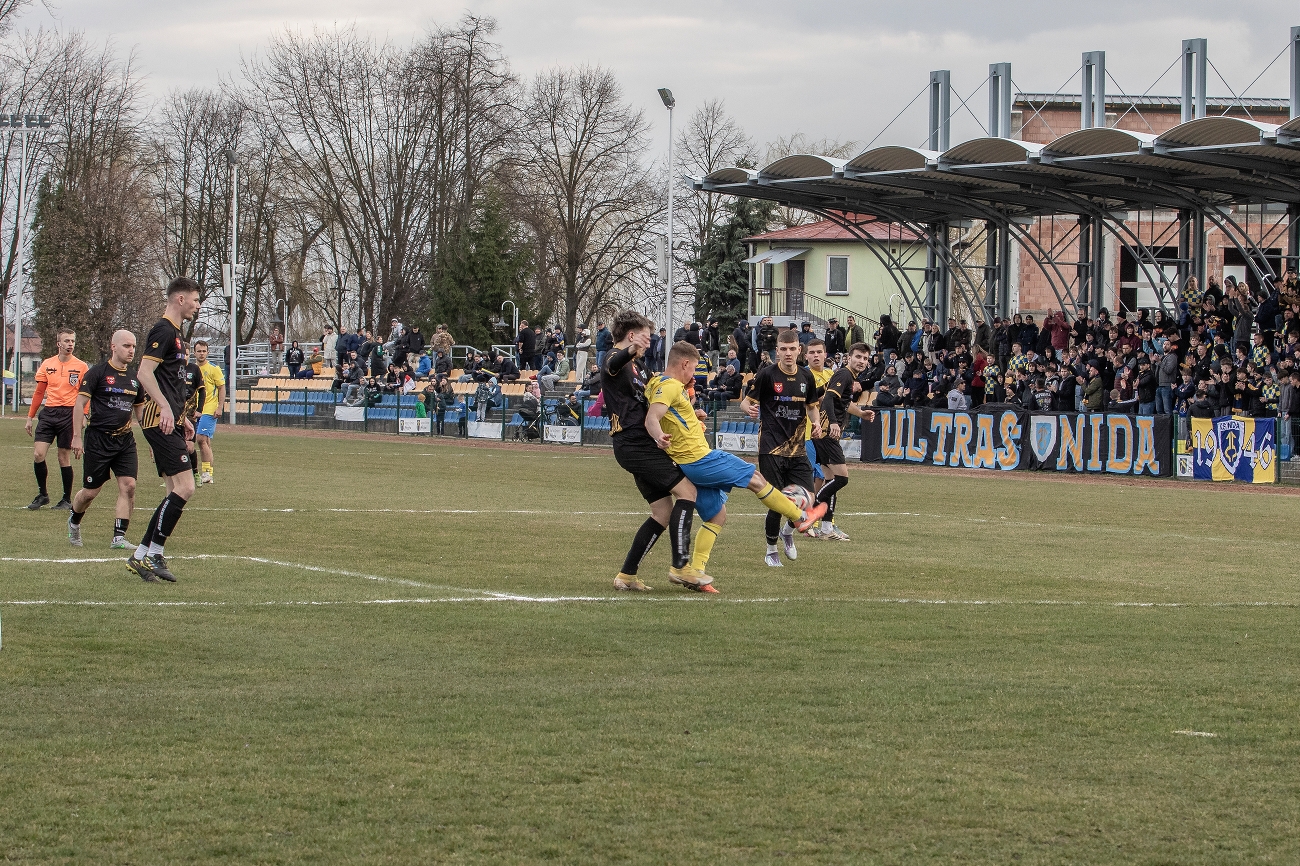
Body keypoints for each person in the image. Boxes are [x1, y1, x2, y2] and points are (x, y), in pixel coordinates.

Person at [647, 341, 824, 588]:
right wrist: (659, 436)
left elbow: (668, 416)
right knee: (756, 480)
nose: (693, 375)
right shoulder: (668, 386)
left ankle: (695, 573)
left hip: (687, 461)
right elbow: (653, 417)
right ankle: (800, 516)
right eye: (694, 368)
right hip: (700, 458)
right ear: (685, 364)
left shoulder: (657, 383)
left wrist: (693, 418)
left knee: (717, 516)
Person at [601, 312, 705, 592]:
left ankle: (626, 576)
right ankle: (681, 567)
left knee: (662, 512)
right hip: (633, 443)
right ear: (632, 336)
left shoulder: (642, 369)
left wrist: (691, 415)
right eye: (646, 335)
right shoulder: (614, 357)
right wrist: (629, 351)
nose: (650, 340)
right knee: (688, 492)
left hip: (639, 445)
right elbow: (612, 362)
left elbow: (659, 403)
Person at [127, 277, 203, 583]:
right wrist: (165, 408)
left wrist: (181, 414)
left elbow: (169, 383)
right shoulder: (163, 329)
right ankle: (155, 553)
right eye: (196, 300)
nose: (198, 306)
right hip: (157, 419)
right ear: (181, 299)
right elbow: (144, 374)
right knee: (186, 487)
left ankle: (140, 556)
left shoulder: (177, 334)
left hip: (168, 417)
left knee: (175, 490)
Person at [741, 329, 826, 568]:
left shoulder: (806, 378)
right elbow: (746, 401)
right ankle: (770, 550)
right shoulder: (767, 375)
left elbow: (811, 407)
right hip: (771, 447)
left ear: (799, 350)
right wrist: (748, 409)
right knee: (777, 502)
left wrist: (817, 423)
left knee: (808, 499)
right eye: (783, 349)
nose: (788, 353)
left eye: (792, 348)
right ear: (777, 351)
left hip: (797, 448)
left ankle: (787, 532)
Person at [65, 329, 146, 548]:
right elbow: (79, 405)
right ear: (114, 347)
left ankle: (118, 538)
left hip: (125, 440)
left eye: (133, 346)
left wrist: (154, 440)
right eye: (126, 346)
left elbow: (140, 413)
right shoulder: (97, 373)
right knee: (90, 492)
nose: (131, 350)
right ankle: (74, 520)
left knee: (129, 486)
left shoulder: (135, 379)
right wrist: (76, 437)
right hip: (98, 440)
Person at [813, 343, 876, 542]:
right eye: (858, 357)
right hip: (826, 434)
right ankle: (806, 511)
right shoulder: (844, 374)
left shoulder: (846, 377)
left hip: (823, 434)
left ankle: (826, 529)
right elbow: (829, 398)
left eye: (865, 359)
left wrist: (862, 413)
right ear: (849, 357)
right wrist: (832, 422)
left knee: (832, 480)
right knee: (842, 479)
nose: (862, 361)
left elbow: (843, 402)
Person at [25, 327, 89, 510]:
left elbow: (85, 395)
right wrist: (30, 417)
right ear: (58, 344)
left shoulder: (81, 366)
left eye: (72, 341)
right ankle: (43, 495)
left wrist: (84, 415)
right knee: (38, 454)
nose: (70, 344)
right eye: (67, 341)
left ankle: (66, 499)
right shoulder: (47, 364)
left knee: (63, 457)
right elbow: (38, 393)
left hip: (69, 414)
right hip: (49, 413)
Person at [192, 340, 226, 485]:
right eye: (199, 351)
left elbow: (222, 388)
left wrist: (220, 407)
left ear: (208, 352)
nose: (201, 353)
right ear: (194, 353)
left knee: (200, 439)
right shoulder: (191, 369)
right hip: (194, 409)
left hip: (209, 409)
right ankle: (208, 473)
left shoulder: (213, 368)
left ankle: (206, 473)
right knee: (205, 441)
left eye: (204, 351)